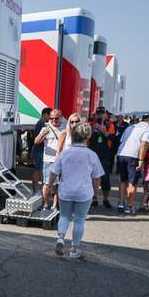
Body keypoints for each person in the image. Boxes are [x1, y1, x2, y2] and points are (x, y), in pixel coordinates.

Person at [49, 123, 104, 259]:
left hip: (66, 191)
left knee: (64, 216)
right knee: (79, 220)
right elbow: (96, 177)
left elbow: (54, 171)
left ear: (73, 136)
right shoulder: (92, 155)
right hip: (84, 193)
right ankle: (74, 249)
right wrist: (96, 193)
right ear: (88, 137)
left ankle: (60, 239)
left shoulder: (65, 153)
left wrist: (50, 186)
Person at [116, 115, 149, 214]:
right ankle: (129, 206)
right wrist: (141, 160)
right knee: (133, 182)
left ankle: (120, 203)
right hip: (133, 156)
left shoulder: (130, 127)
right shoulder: (148, 129)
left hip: (121, 154)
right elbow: (144, 144)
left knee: (123, 179)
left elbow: (121, 141)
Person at [34, 109, 65, 211]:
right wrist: (43, 134)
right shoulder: (45, 128)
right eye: (51, 118)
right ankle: (46, 204)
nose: (53, 120)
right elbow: (36, 141)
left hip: (61, 161)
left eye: (56, 118)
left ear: (60, 117)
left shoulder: (65, 129)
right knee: (47, 184)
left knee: (58, 185)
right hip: (48, 160)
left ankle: (55, 206)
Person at [88, 108, 115, 208]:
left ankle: (105, 199)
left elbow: (113, 139)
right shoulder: (90, 123)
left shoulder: (110, 125)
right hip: (92, 153)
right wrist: (93, 127)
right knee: (93, 177)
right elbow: (86, 137)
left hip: (105, 155)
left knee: (105, 178)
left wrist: (103, 131)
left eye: (102, 113)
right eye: (98, 113)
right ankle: (94, 198)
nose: (100, 115)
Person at [31, 108, 52, 193]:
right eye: (49, 115)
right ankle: (35, 191)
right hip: (39, 151)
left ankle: (37, 191)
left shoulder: (42, 124)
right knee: (39, 171)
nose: (50, 118)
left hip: (39, 151)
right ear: (44, 115)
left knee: (40, 171)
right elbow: (38, 140)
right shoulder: (41, 124)